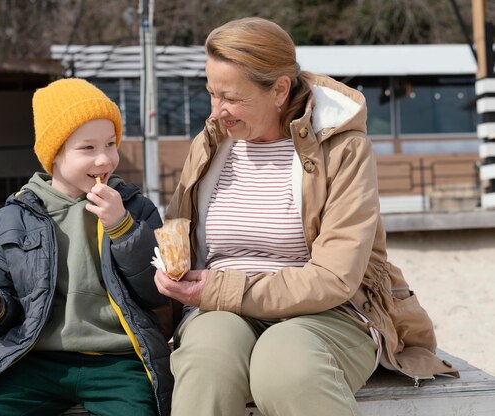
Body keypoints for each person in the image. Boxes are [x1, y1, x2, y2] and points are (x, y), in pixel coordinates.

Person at [153, 17, 459, 416]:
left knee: (285, 367)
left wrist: (222, 290)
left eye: (231, 98)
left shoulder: (342, 149)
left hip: (328, 312)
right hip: (218, 309)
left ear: (279, 89)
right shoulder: (209, 145)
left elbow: (335, 278)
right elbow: (180, 236)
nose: (217, 112)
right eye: (211, 93)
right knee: (208, 361)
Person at [0, 78, 173, 416]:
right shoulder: (8, 221)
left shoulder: (137, 210)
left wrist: (122, 228)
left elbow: (157, 293)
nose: (104, 160)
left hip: (120, 361)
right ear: (54, 153)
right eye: (88, 148)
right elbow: (6, 307)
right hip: (35, 359)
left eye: (110, 144)